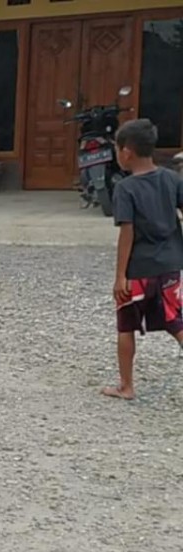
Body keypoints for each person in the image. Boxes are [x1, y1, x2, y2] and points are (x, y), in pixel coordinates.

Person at [102, 119, 183, 401]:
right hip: (171, 265)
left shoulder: (125, 188)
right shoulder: (172, 179)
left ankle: (126, 386)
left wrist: (120, 275)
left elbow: (127, 232)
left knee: (126, 325)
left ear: (127, 152)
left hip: (138, 269)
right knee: (176, 321)